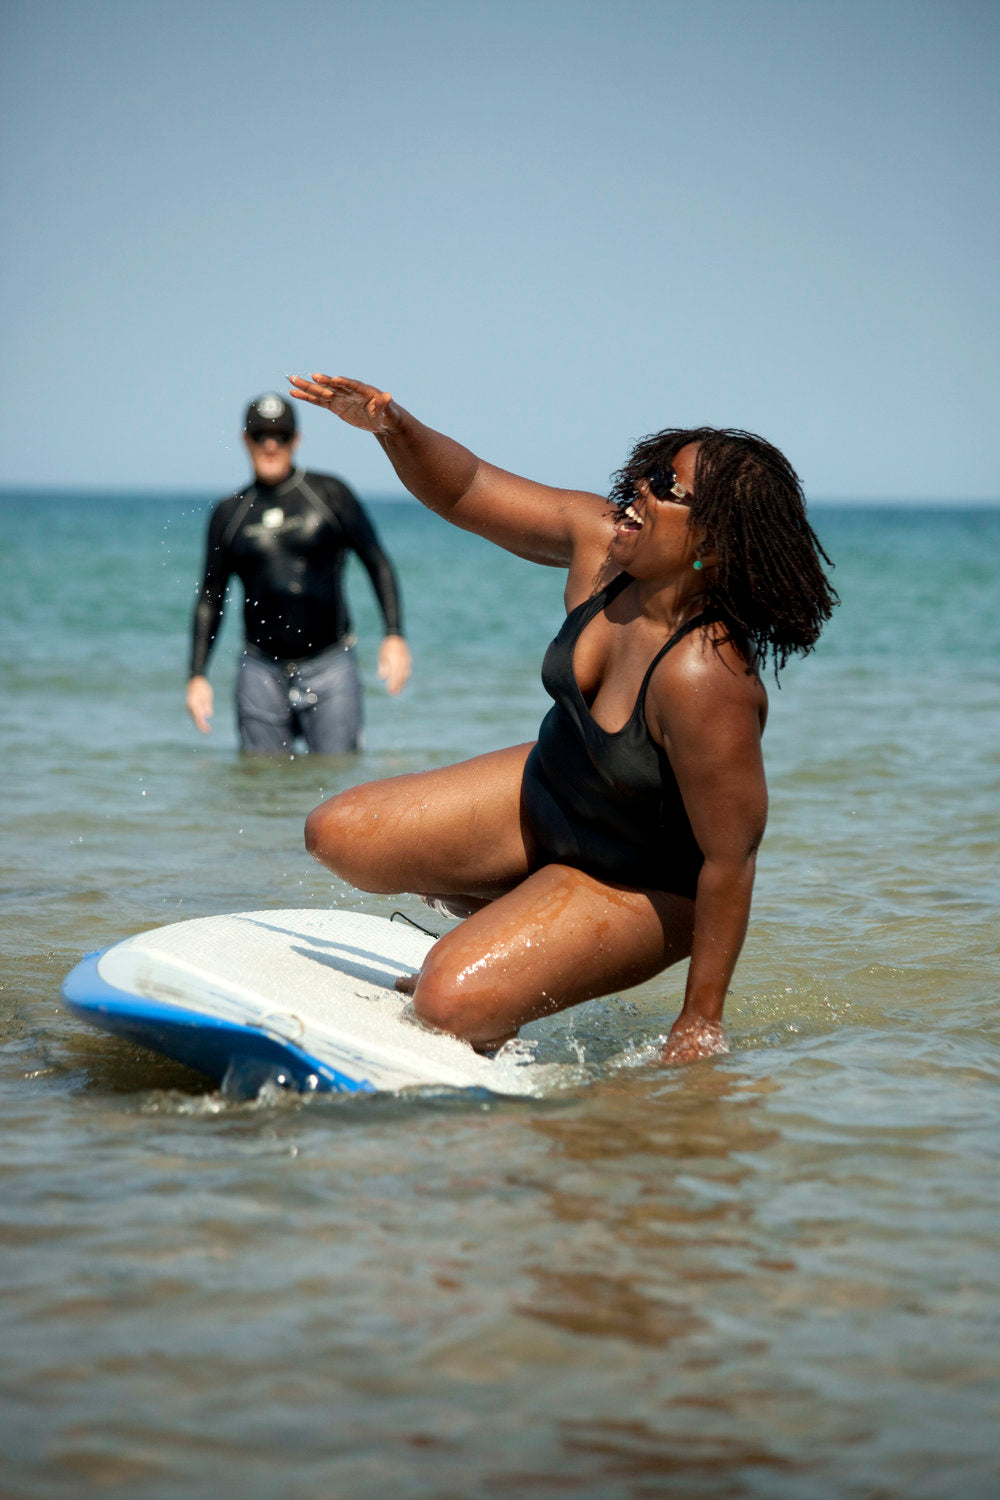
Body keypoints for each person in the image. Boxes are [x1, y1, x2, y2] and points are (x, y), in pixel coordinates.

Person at [289, 372, 837, 1063]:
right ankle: (506, 923)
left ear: (713, 546)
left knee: (446, 1001)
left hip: (637, 883)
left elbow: (732, 859)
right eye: (654, 474)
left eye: (671, 490)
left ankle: (499, 976)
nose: (644, 490)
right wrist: (395, 427)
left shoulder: (706, 675)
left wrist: (700, 1020)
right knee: (337, 836)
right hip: (551, 796)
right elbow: (466, 490)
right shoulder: (601, 546)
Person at [186, 393, 411, 754]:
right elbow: (210, 598)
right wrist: (197, 675)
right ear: (246, 440)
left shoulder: (330, 494)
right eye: (260, 436)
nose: (271, 445)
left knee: (339, 784)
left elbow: (377, 562)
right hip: (259, 668)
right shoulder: (229, 514)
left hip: (331, 663)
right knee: (262, 785)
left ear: (297, 440)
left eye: (282, 435)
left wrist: (394, 636)